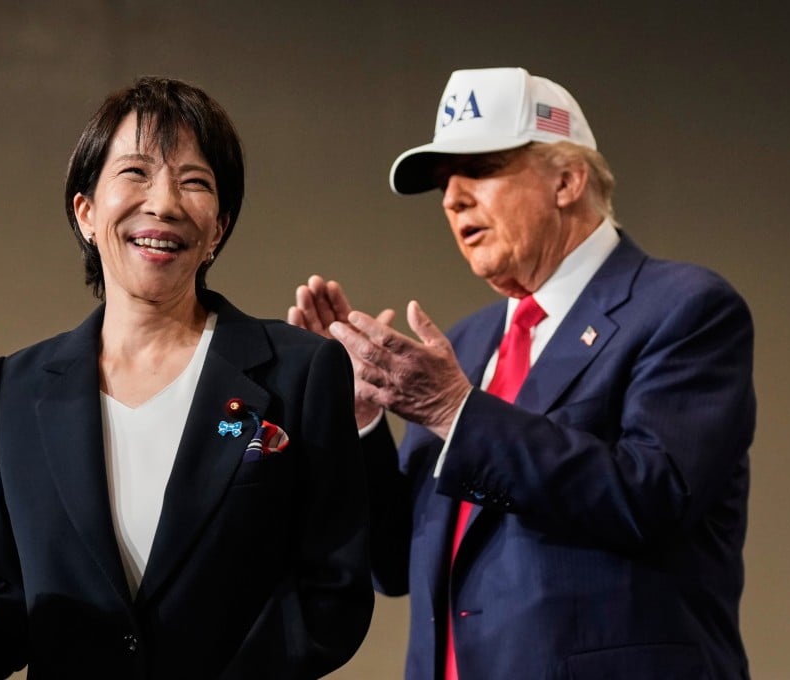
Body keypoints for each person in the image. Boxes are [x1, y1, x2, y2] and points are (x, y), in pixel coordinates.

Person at [289, 67, 754, 679]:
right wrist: (362, 423)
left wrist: (455, 411)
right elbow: (396, 563)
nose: (453, 198)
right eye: (442, 184)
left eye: (479, 169)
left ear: (566, 180)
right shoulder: (468, 343)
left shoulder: (684, 309)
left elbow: (652, 497)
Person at [0, 76, 373, 679]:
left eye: (195, 182)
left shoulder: (300, 371)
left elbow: (333, 595)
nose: (165, 202)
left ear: (219, 229)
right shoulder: (15, 390)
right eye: (135, 172)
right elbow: (16, 603)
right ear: (86, 213)